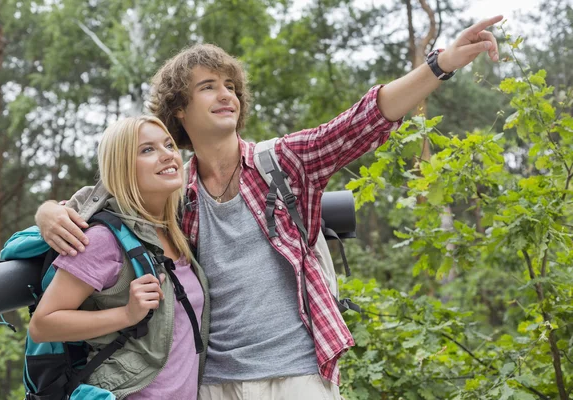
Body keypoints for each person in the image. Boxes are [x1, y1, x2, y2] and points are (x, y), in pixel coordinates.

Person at [35, 16, 503, 400]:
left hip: (297, 374)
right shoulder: (176, 192)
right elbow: (111, 202)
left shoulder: (282, 162)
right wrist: (48, 212)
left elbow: (363, 120)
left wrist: (440, 65)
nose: (226, 95)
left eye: (231, 86)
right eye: (208, 87)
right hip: (213, 382)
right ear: (179, 109)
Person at [29, 116, 209, 400]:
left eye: (168, 145)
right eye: (147, 150)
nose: (167, 155)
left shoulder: (177, 229)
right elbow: (42, 325)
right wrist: (126, 315)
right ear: (122, 167)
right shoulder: (104, 240)